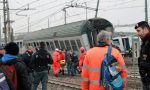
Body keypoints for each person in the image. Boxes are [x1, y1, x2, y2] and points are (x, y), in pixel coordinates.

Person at [135, 21, 150, 90]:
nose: (137, 34)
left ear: (145, 29)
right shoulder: (145, 42)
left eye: (138, 31)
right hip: (146, 80)